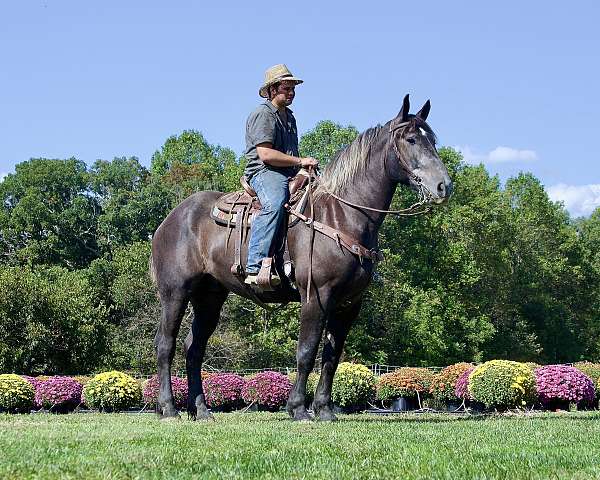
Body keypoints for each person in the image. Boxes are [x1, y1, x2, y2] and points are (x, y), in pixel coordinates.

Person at [243, 64, 318, 285]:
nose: (292, 93)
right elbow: (265, 154)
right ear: (273, 89)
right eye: (287, 88)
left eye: (293, 89)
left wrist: (304, 168)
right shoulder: (263, 114)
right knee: (275, 203)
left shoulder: (290, 118)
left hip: (288, 171)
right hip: (265, 172)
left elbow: (290, 153)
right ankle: (255, 266)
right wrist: (300, 161)